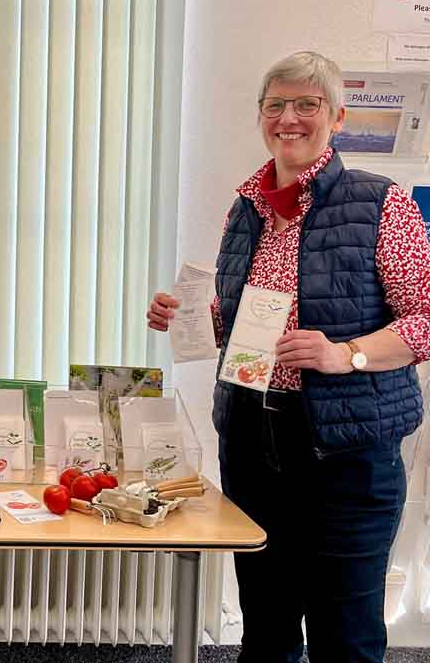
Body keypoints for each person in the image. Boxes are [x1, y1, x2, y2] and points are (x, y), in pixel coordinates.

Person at [148, 52, 430, 662]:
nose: (289, 118)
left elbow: (425, 319)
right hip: (254, 439)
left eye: (307, 104)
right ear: (261, 116)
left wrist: (346, 354)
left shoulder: (382, 203)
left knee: (345, 633)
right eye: (275, 105)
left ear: (337, 116)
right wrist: (189, 316)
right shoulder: (247, 207)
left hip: (346, 450)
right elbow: (243, 327)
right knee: (267, 625)